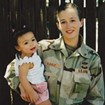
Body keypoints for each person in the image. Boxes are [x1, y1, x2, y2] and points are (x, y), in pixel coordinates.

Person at [4, 2, 104, 105]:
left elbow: (96, 99)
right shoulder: (43, 49)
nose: (68, 26)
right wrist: (21, 85)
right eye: (63, 22)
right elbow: (11, 69)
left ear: (81, 22)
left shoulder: (92, 59)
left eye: (73, 20)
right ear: (58, 25)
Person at [5, 28, 52, 105]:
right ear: (18, 48)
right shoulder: (26, 62)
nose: (31, 44)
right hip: (37, 88)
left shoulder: (31, 54)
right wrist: (31, 93)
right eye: (26, 43)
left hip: (39, 86)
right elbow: (22, 78)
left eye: (33, 40)